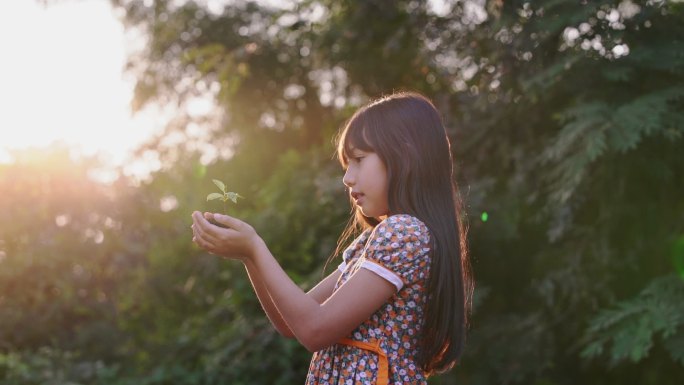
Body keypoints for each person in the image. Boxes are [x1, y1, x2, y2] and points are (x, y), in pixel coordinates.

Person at [191, 91, 472, 384]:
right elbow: (292, 324)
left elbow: (315, 330)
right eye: (346, 164)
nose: (347, 177)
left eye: (359, 160)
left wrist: (256, 247)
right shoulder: (373, 240)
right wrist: (248, 256)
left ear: (406, 156)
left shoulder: (403, 233)